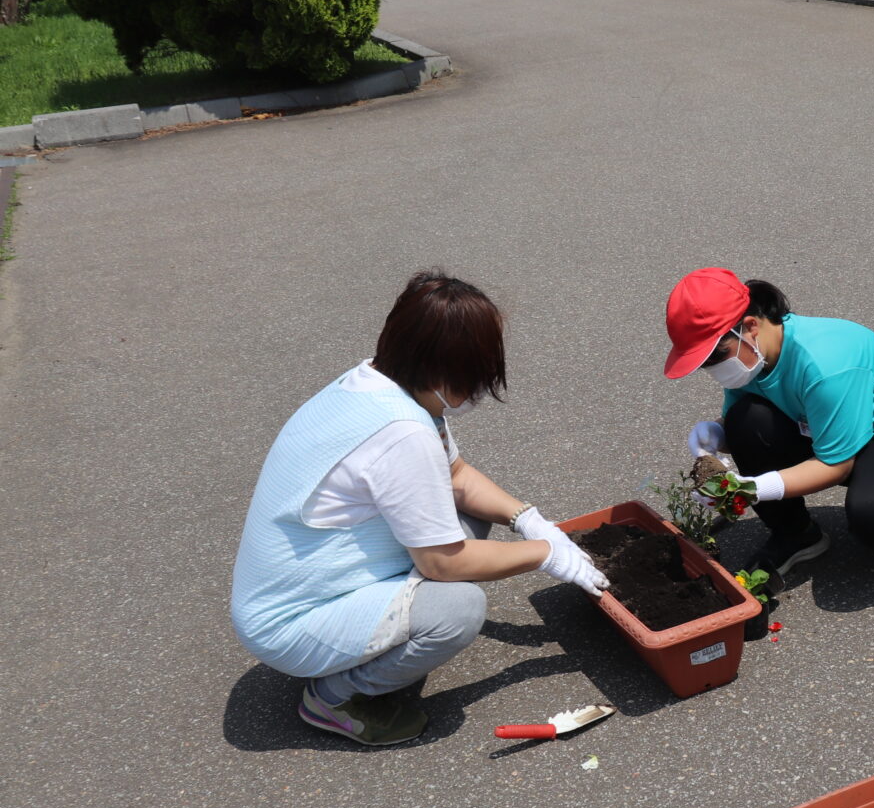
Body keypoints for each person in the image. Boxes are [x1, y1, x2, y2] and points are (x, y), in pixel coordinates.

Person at [231, 272, 607, 747]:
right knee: (457, 608)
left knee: (469, 520)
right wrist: (542, 555)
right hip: (288, 622)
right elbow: (443, 562)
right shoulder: (402, 433)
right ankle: (335, 698)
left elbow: (456, 478)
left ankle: (371, 642)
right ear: (443, 369)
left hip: (294, 585)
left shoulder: (374, 382)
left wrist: (528, 519)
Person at [663, 268, 874, 584]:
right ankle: (797, 535)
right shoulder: (754, 356)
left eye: (716, 356)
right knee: (744, 419)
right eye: (705, 363)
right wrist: (715, 436)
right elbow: (747, 428)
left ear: (749, 327)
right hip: (828, 426)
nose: (714, 369)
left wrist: (753, 488)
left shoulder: (824, 364)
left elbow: (836, 465)